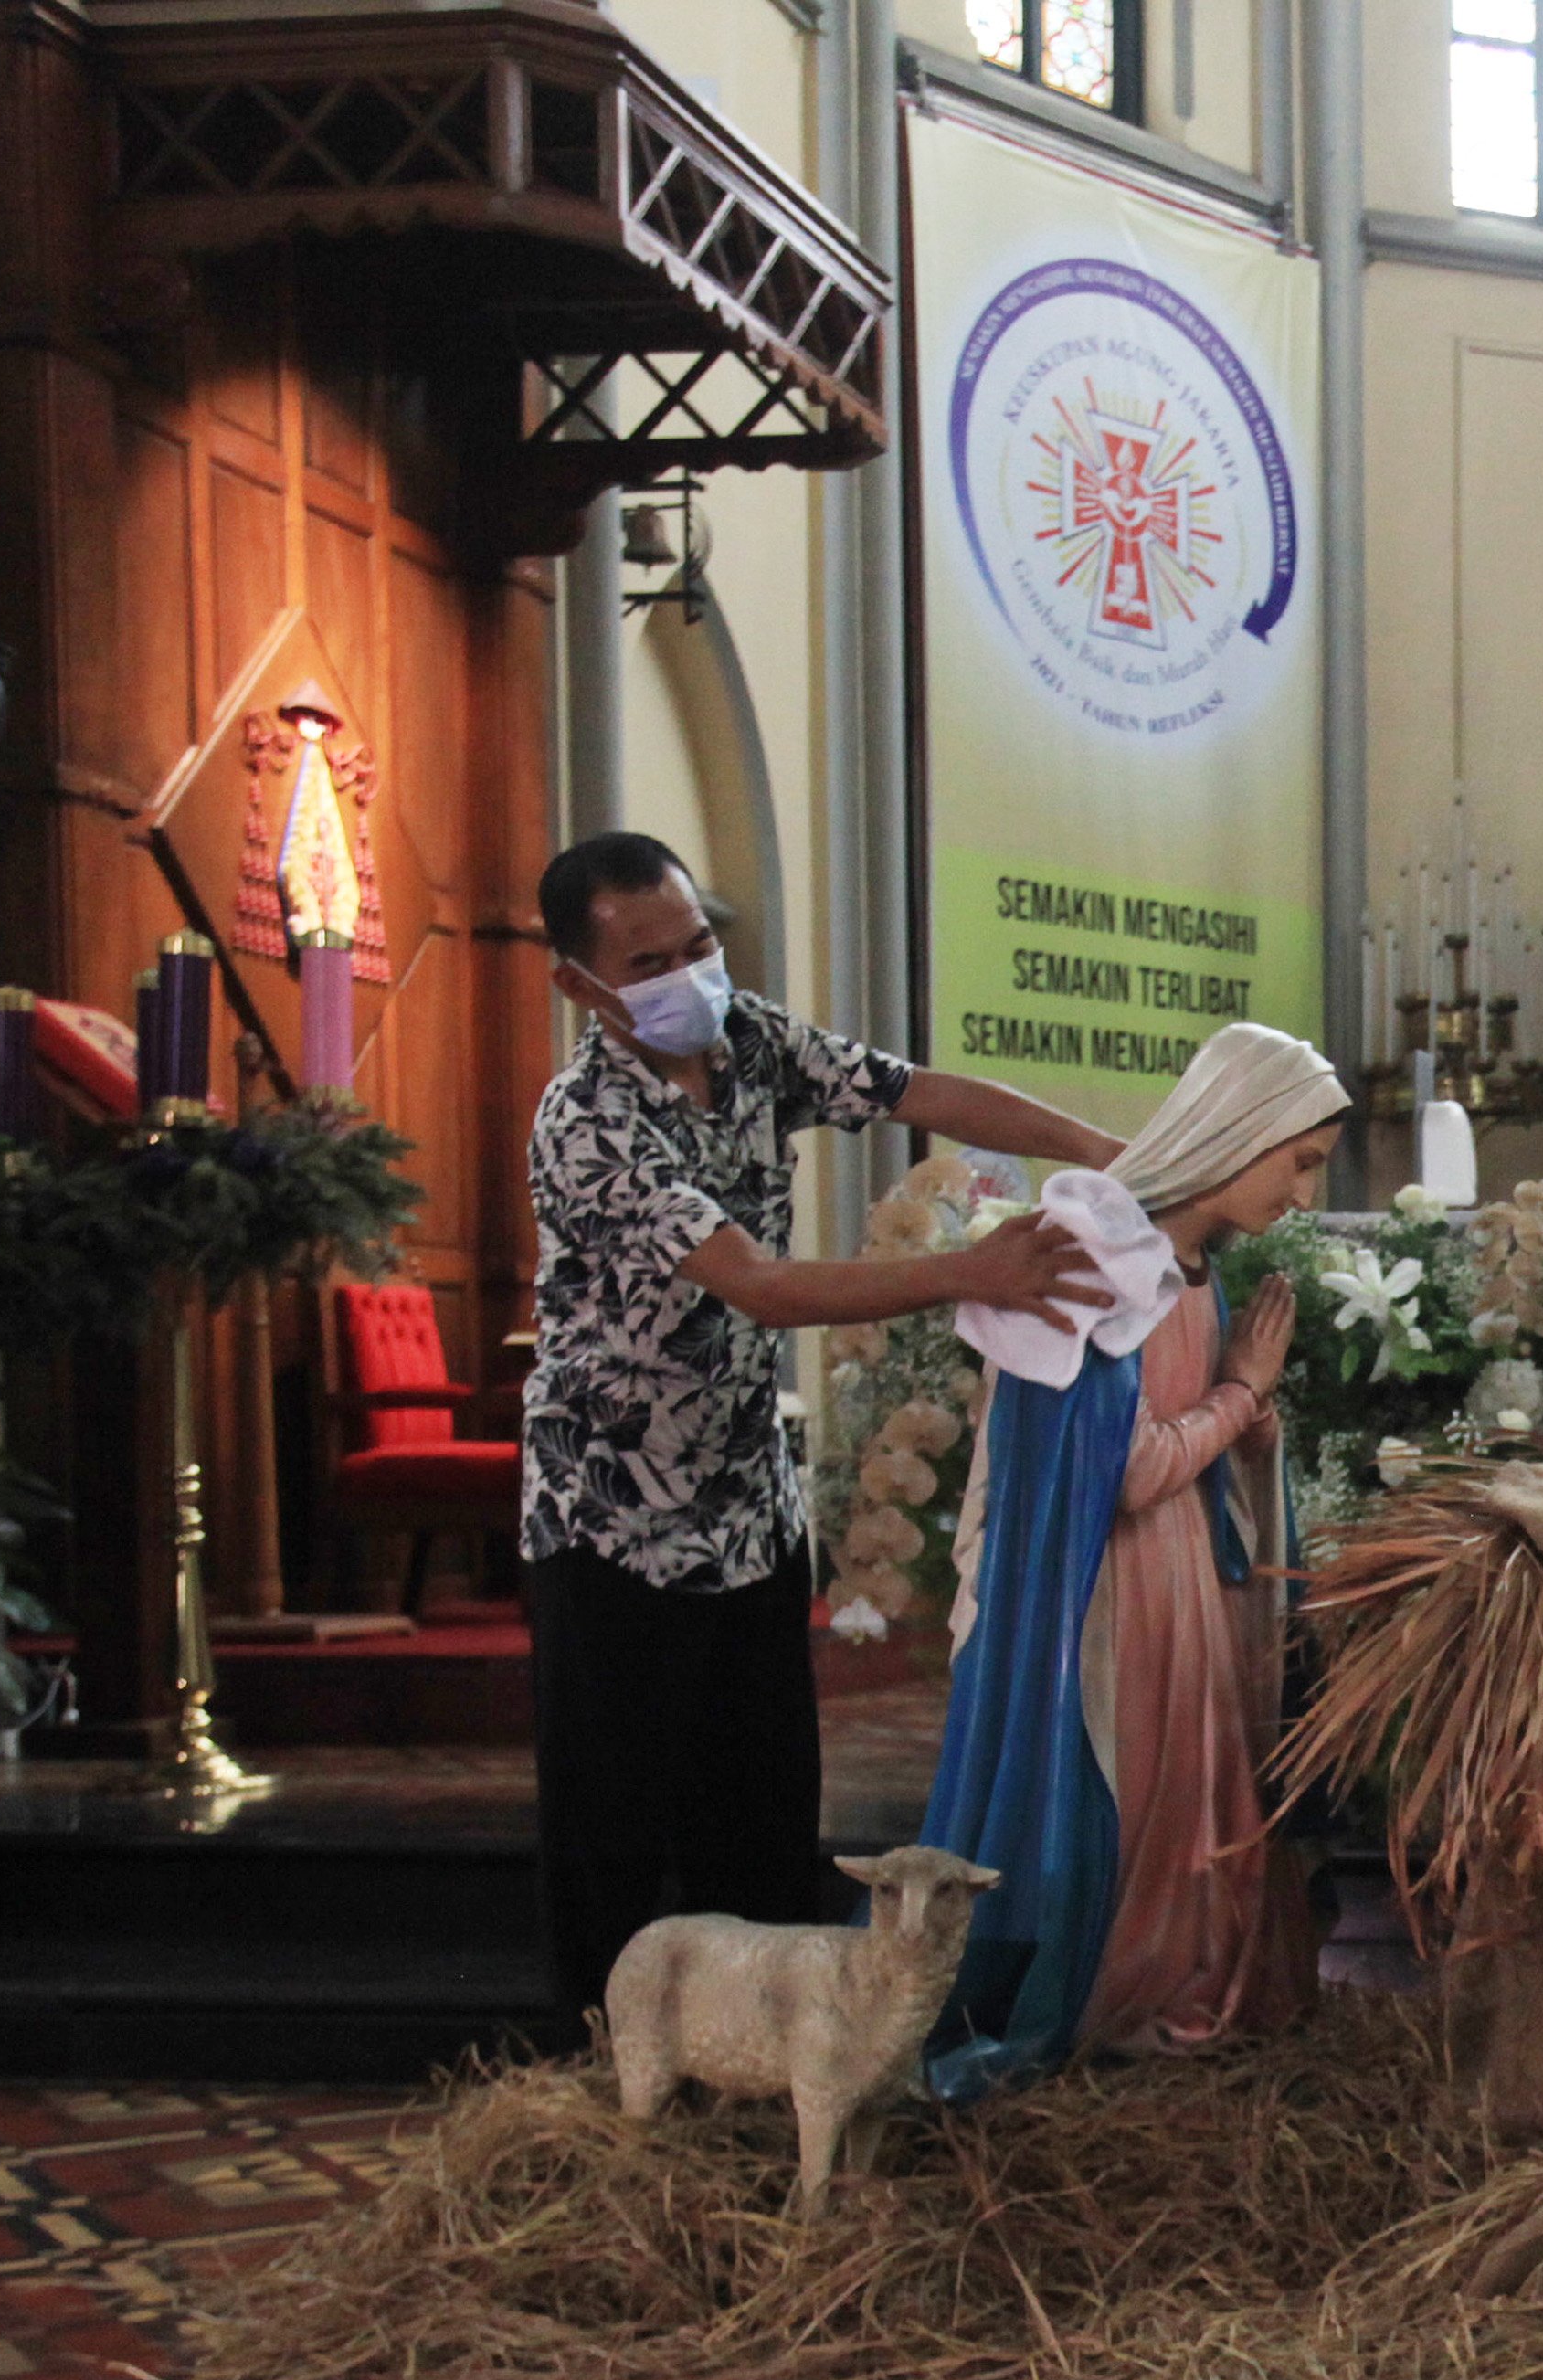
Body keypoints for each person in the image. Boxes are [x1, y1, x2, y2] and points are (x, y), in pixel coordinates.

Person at [523, 831, 1119, 2033]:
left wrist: (1109, 1151)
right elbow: (764, 1286)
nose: (690, 974)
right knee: (617, 1827)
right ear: (578, 984)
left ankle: (763, 2061)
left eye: (700, 942)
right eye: (650, 961)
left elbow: (917, 1092)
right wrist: (977, 1270)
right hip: (613, 1519)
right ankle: (611, 2078)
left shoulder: (746, 1039)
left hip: (745, 1505)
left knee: (762, 1809)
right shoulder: (585, 1121)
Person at [923, 1025, 1350, 2092]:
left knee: (1195, 1790)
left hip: (1184, 1582)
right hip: (1105, 1601)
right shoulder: (1101, 1258)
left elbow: (1187, 1441)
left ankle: (1187, 1980)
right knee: (1139, 1798)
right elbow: (1118, 1475)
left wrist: (1250, 1431)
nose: (1303, 1194)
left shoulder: (1193, 1269)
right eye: (1298, 1161)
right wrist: (1243, 1393)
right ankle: (1124, 1984)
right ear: (1237, 1131)